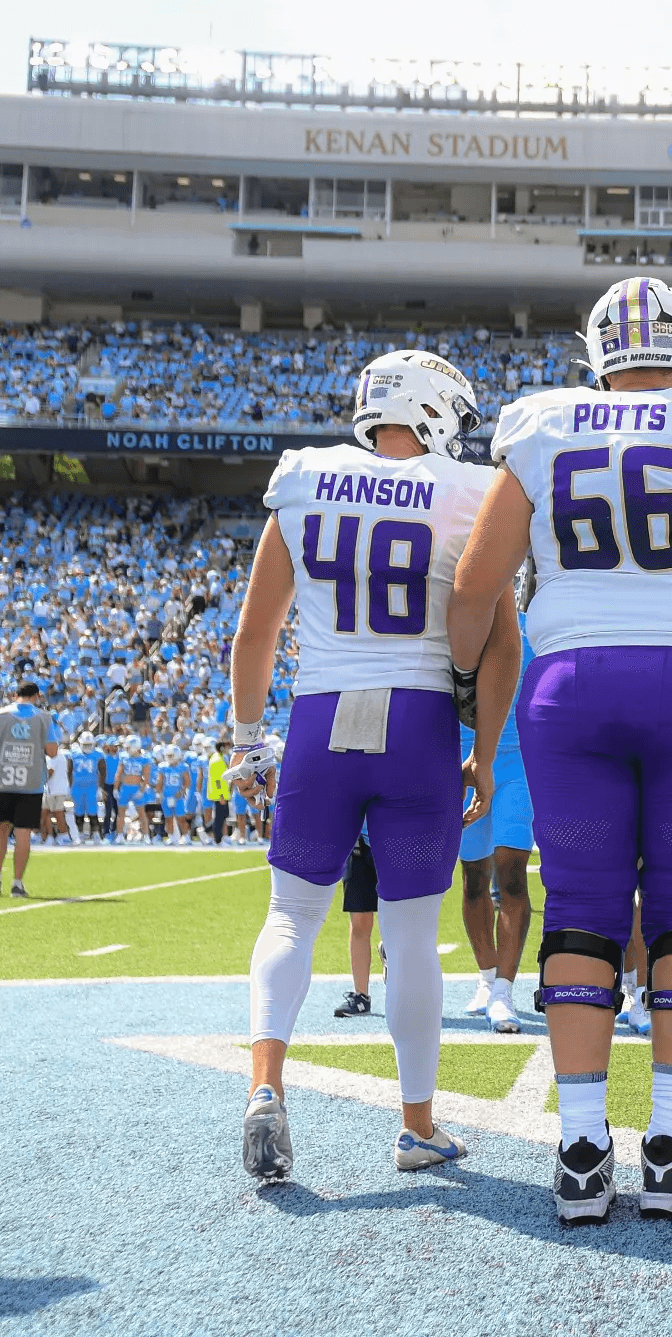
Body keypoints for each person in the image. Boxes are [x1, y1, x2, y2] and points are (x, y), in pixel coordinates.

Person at [447, 277, 672, 1224]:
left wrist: (457, 690)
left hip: (568, 683)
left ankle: (578, 1151)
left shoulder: (540, 424)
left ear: (593, 352)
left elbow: (478, 584)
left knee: (582, 906)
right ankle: (670, 1149)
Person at [232, 348, 515, 1181]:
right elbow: (503, 646)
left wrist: (249, 741)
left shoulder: (305, 477)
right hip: (418, 721)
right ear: (434, 411)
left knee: (289, 916)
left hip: (321, 714)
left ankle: (263, 1086)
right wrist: (485, 756)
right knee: (412, 940)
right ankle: (418, 1126)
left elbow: (255, 634)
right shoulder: (468, 493)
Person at [458, 591, 539, 1038]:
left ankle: (504, 990)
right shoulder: (457, 618)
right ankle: (487, 976)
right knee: (472, 881)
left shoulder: (531, 625)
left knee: (511, 875)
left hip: (517, 764)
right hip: (464, 760)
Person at [0, 683, 57, 897]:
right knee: (23, 833)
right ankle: (17, 883)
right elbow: (52, 751)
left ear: (15, 695)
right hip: (31, 782)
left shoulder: (0, 715)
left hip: (5, 780)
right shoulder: (44, 717)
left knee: (0, 829)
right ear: (36, 696)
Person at [333, 828, 380, 1019]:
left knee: (397, 919)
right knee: (359, 920)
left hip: (393, 837)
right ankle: (361, 996)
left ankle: (409, 993)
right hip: (357, 842)